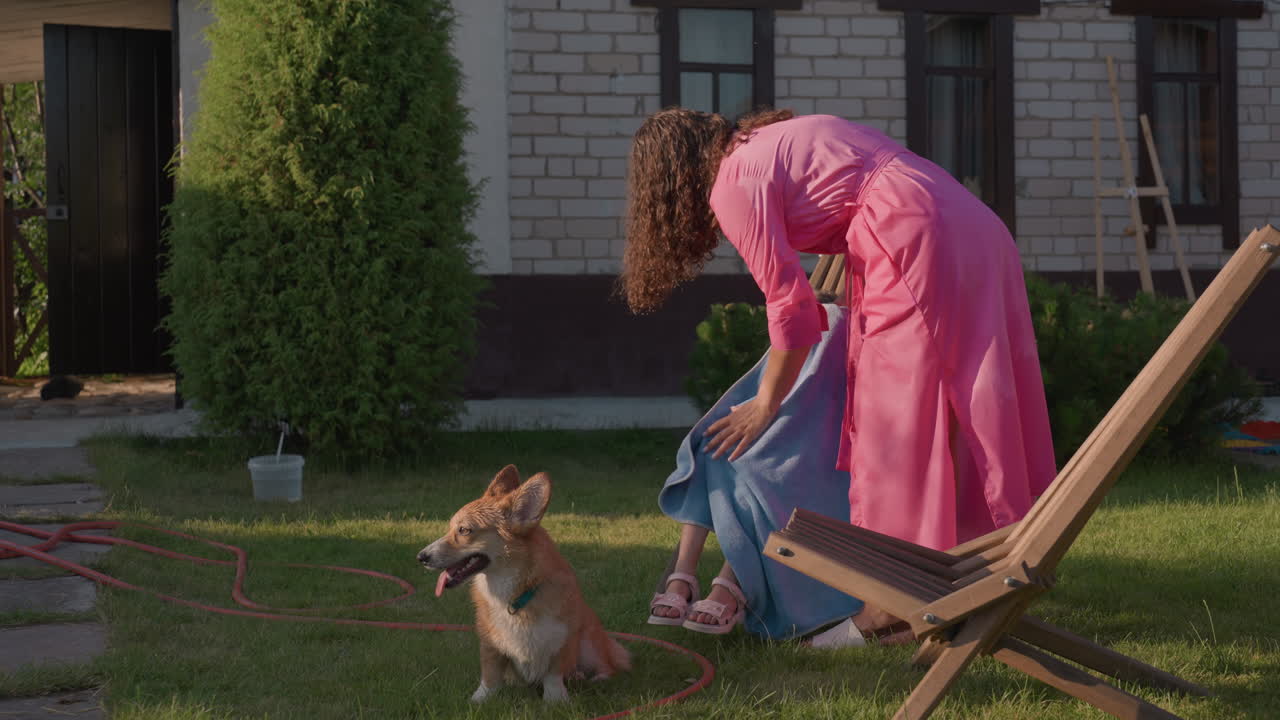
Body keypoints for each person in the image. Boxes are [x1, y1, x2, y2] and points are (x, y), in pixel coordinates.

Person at [620, 108, 1057, 644]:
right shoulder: (773, 140)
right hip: (967, 223)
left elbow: (790, 308)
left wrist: (765, 404)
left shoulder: (734, 181)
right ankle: (977, 565)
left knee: (895, 420)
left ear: (670, 175)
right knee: (966, 404)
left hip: (914, 236)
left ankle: (887, 607)